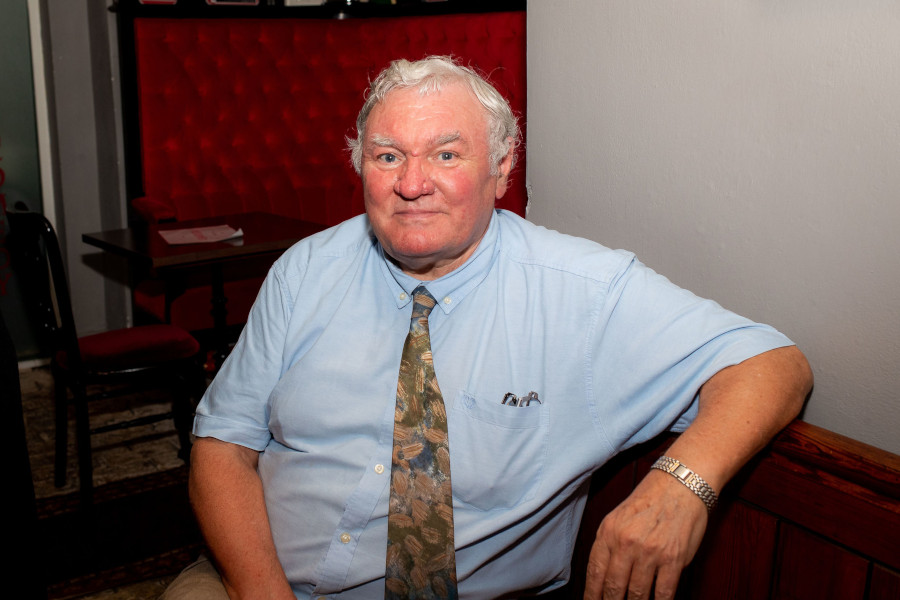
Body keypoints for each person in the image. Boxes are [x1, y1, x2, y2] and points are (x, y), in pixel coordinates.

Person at [163, 56, 812, 600]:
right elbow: (223, 442)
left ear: (501, 169)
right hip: (257, 578)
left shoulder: (584, 294)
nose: (411, 183)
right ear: (360, 168)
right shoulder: (305, 271)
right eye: (388, 156)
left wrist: (679, 486)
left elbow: (773, 364)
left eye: (446, 154)